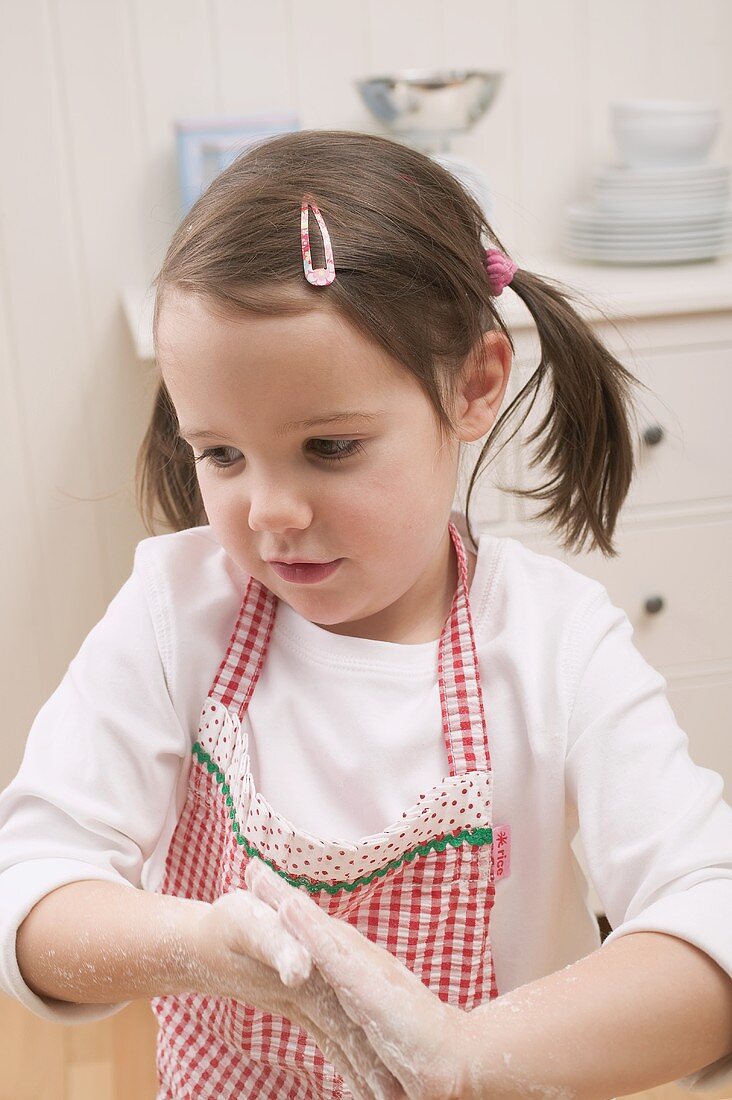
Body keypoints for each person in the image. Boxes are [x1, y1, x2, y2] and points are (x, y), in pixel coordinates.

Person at [0, 129, 730, 1100]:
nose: (271, 511)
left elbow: (711, 922)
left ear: (474, 385)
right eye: (220, 454)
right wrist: (197, 941)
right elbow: (34, 892)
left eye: (330, 446)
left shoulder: (556, 645)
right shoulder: (176, 614)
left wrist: (460, 1055)